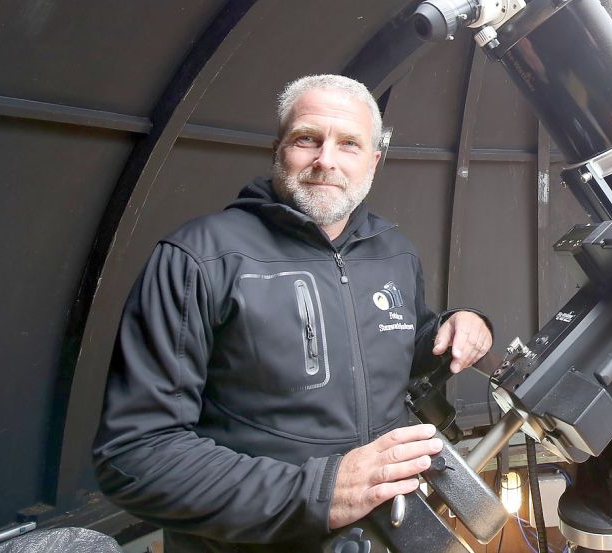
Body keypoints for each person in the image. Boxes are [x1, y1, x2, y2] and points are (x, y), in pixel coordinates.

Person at [92, 74, 493, 552]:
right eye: (307, 139)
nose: (326, 160)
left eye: (349, 144)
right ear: (278, 148)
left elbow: (389, 354)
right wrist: (319, 494)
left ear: (373, 161)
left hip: (385, 535)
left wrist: (456, 325)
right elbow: (137, 455)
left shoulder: (394, 252)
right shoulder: (197, 258)